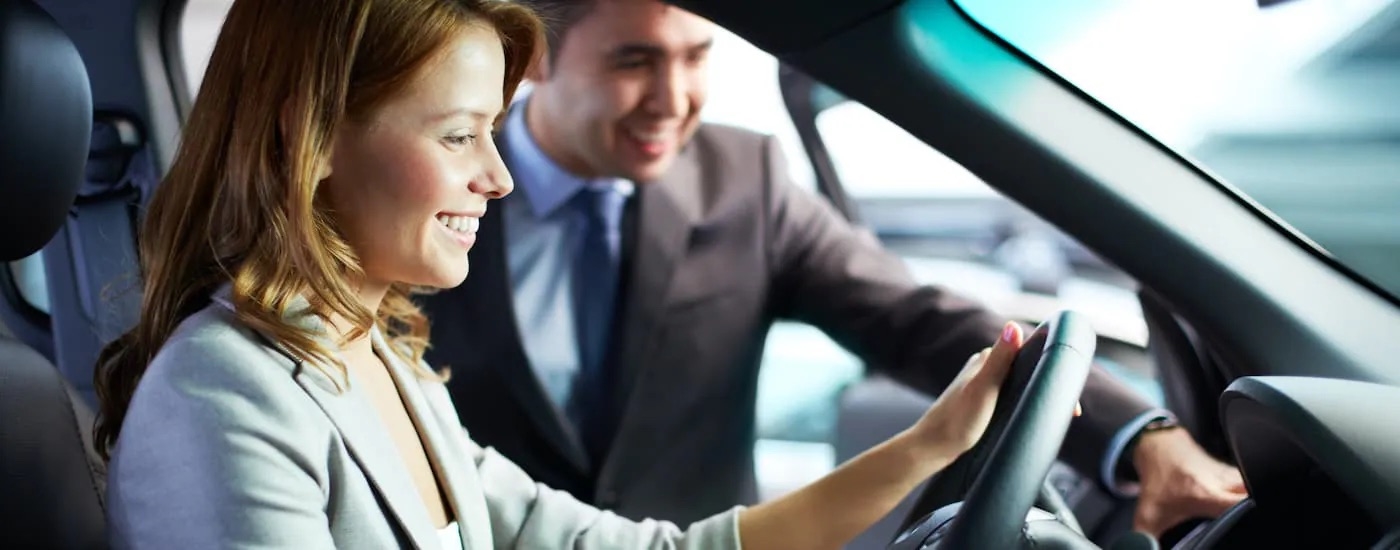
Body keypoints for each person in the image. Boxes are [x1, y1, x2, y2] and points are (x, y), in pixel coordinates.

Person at [93, 0, 1040, 548]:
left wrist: (926, 451)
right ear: (314, 140)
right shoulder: (222, 394)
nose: (497, 177)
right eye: (460, 136)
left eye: (491, 134)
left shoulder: (384, 360)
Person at [418, 0, 1248, 539]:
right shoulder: (424, 195)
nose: (674, 98)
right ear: (536, 60)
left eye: (697, 57)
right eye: (634, 61)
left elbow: (921, 318)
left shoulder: (747, 181)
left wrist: (1145, 434)